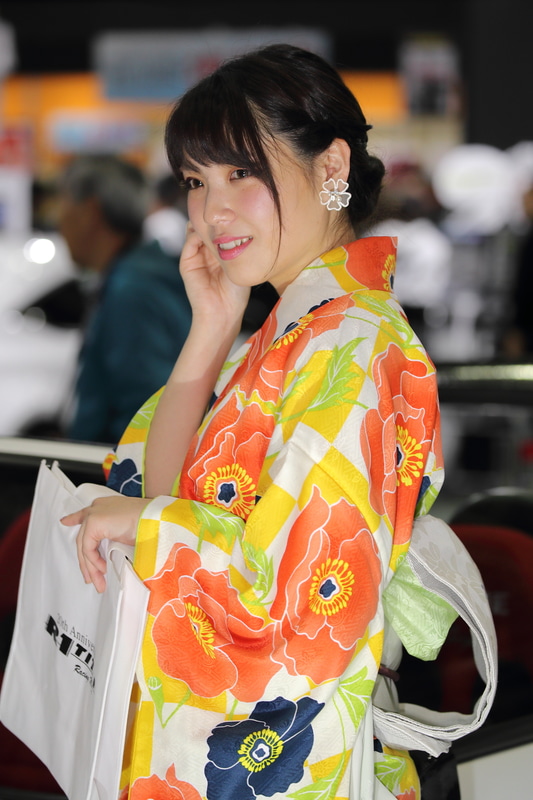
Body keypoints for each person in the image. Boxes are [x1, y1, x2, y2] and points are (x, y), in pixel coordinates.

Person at [63, 45, 445, 799]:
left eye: (242, 172)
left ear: (331, 165)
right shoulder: (296, 333)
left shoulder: (357, 342)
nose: (212, 211)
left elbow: (300, 607)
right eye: (195, 182)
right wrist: (210, 329)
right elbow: (168, 492)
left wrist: (147, 526)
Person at [58, 155, 192, 444]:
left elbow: (145, 408)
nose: (60, 222)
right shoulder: (137, 275)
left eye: (64, 205)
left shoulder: (133, 289)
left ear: (89, 211)